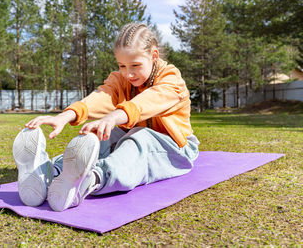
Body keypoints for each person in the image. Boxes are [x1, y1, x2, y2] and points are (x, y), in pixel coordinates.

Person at [12, 23, 200, 212]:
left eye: (135, 65)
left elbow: (147, 101)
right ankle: (51, 172)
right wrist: (65, 116)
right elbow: (102, 96)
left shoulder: (172, 80)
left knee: (141, 137)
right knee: (98, 135)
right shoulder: (121, 79)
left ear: (154, 56)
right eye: (122, 66)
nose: (128, 73)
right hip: (131, 134)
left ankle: (90, 180)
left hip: (176, 149)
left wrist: (114, 117)